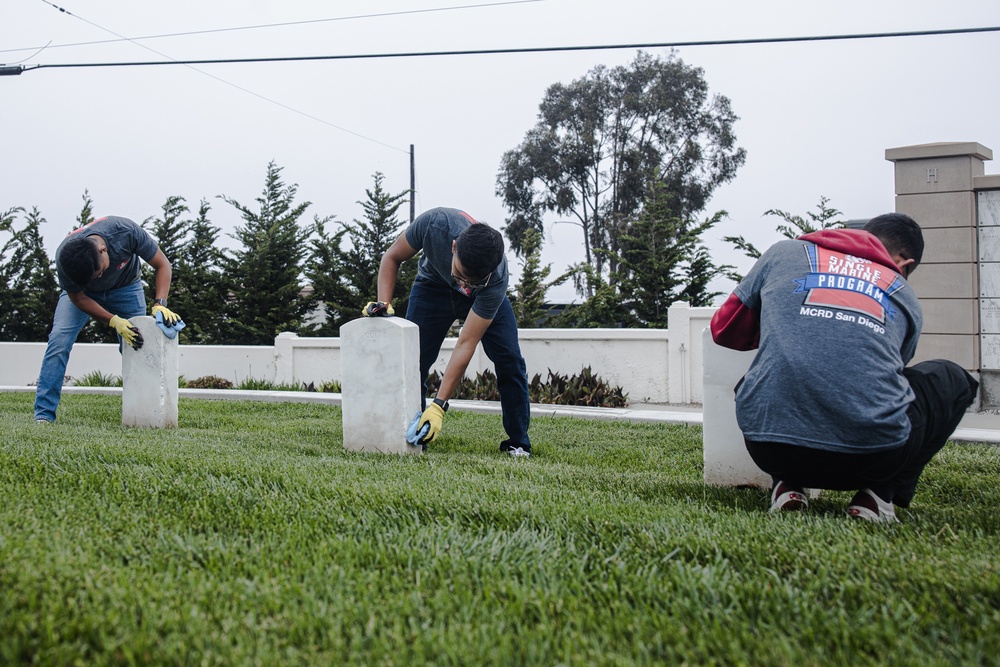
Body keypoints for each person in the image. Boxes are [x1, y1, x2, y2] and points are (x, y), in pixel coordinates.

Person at [710, 212, 978, 522]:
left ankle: (786, 485)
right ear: (904, 264)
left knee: (765, 375)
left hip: (770, 450)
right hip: (873, 458)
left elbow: (724, 330)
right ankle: (877, 496)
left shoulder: (783, 253)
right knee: (952, 378)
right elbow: (888, 372)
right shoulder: (902, 291)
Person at [364, 207, 532, 458]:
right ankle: (413, 437)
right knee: (413, 361)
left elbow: (466, 343)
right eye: (462, 275)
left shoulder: (494, 279)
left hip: (482, 299)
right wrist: (384, 303)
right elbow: (391, 257)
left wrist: (439, 406)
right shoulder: (434, 225)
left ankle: (518, 442)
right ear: (453, 247)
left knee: (510, 359)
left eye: (473, 280)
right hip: (432, 287)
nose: (464, 285)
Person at [34, 215, 182, 423]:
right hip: (84, 296)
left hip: (126, 287)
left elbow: (163, 264)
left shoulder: (125, 232)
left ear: (103, 251)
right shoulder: (66, 257)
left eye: (99, 272)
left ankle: (143, 413)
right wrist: (114, 320)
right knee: (59, 340)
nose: (99, 278)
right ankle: (44, 414)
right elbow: (77, 297)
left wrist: (160, 303)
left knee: (138, 344)